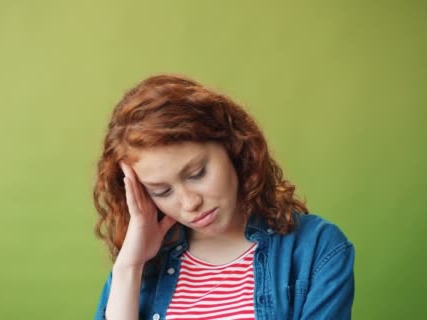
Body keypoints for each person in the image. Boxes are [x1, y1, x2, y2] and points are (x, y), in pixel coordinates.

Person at [92, 74, 354, 320]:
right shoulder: (137, 267)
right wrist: (129, 267)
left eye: (197, 173)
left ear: (232, 146)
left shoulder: (318, 249)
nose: (189, 203)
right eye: (162, 191)